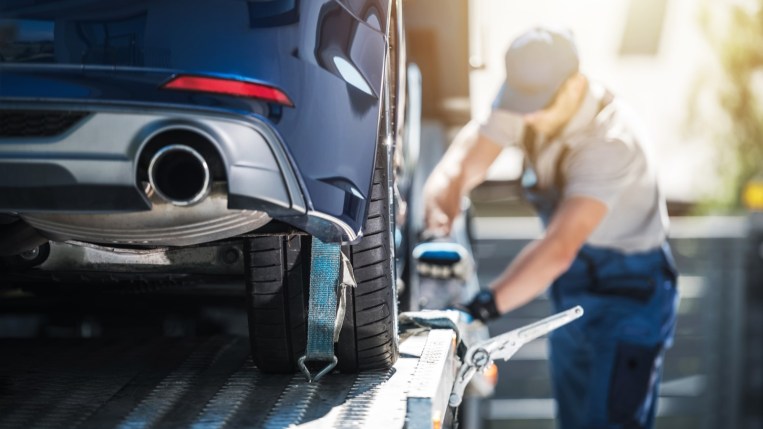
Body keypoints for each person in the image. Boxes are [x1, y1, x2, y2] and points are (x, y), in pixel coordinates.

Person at [423, 27, 679, 429]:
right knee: (575, 421)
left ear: (574, 85)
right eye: (520, 103)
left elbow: (560, 245)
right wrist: (442, 195)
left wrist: (479, 309)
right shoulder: (527, 98)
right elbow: (470, 155)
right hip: (574, 285)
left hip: (629, 293)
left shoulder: (611, 140)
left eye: (538, 105)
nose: (528, 116)